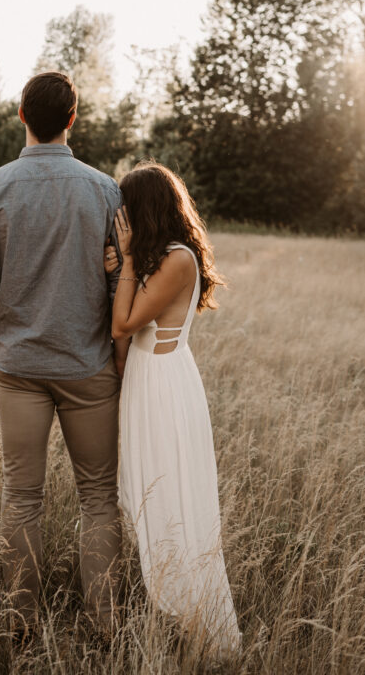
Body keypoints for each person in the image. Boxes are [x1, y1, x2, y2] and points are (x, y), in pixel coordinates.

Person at [0, 71, 123, 638]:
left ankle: (20, 621)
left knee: (21, 496)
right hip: (90, 365)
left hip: (19, 368)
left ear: (20, 115)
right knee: (98, 498)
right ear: (72, 119)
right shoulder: (105, 190)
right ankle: (103, 623)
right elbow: (125, 277)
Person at [103, 161, 241, 656]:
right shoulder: (156, 257)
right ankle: (171, 609)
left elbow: (123, 325)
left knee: (172, 500)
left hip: (164, 388)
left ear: (143, 211)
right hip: (143, 383)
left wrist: (129, 264)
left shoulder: (177, 259)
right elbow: (123, 343)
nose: (119, 219)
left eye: (125, 210)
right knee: (146, 496)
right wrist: (122, 268)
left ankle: (200, 626)